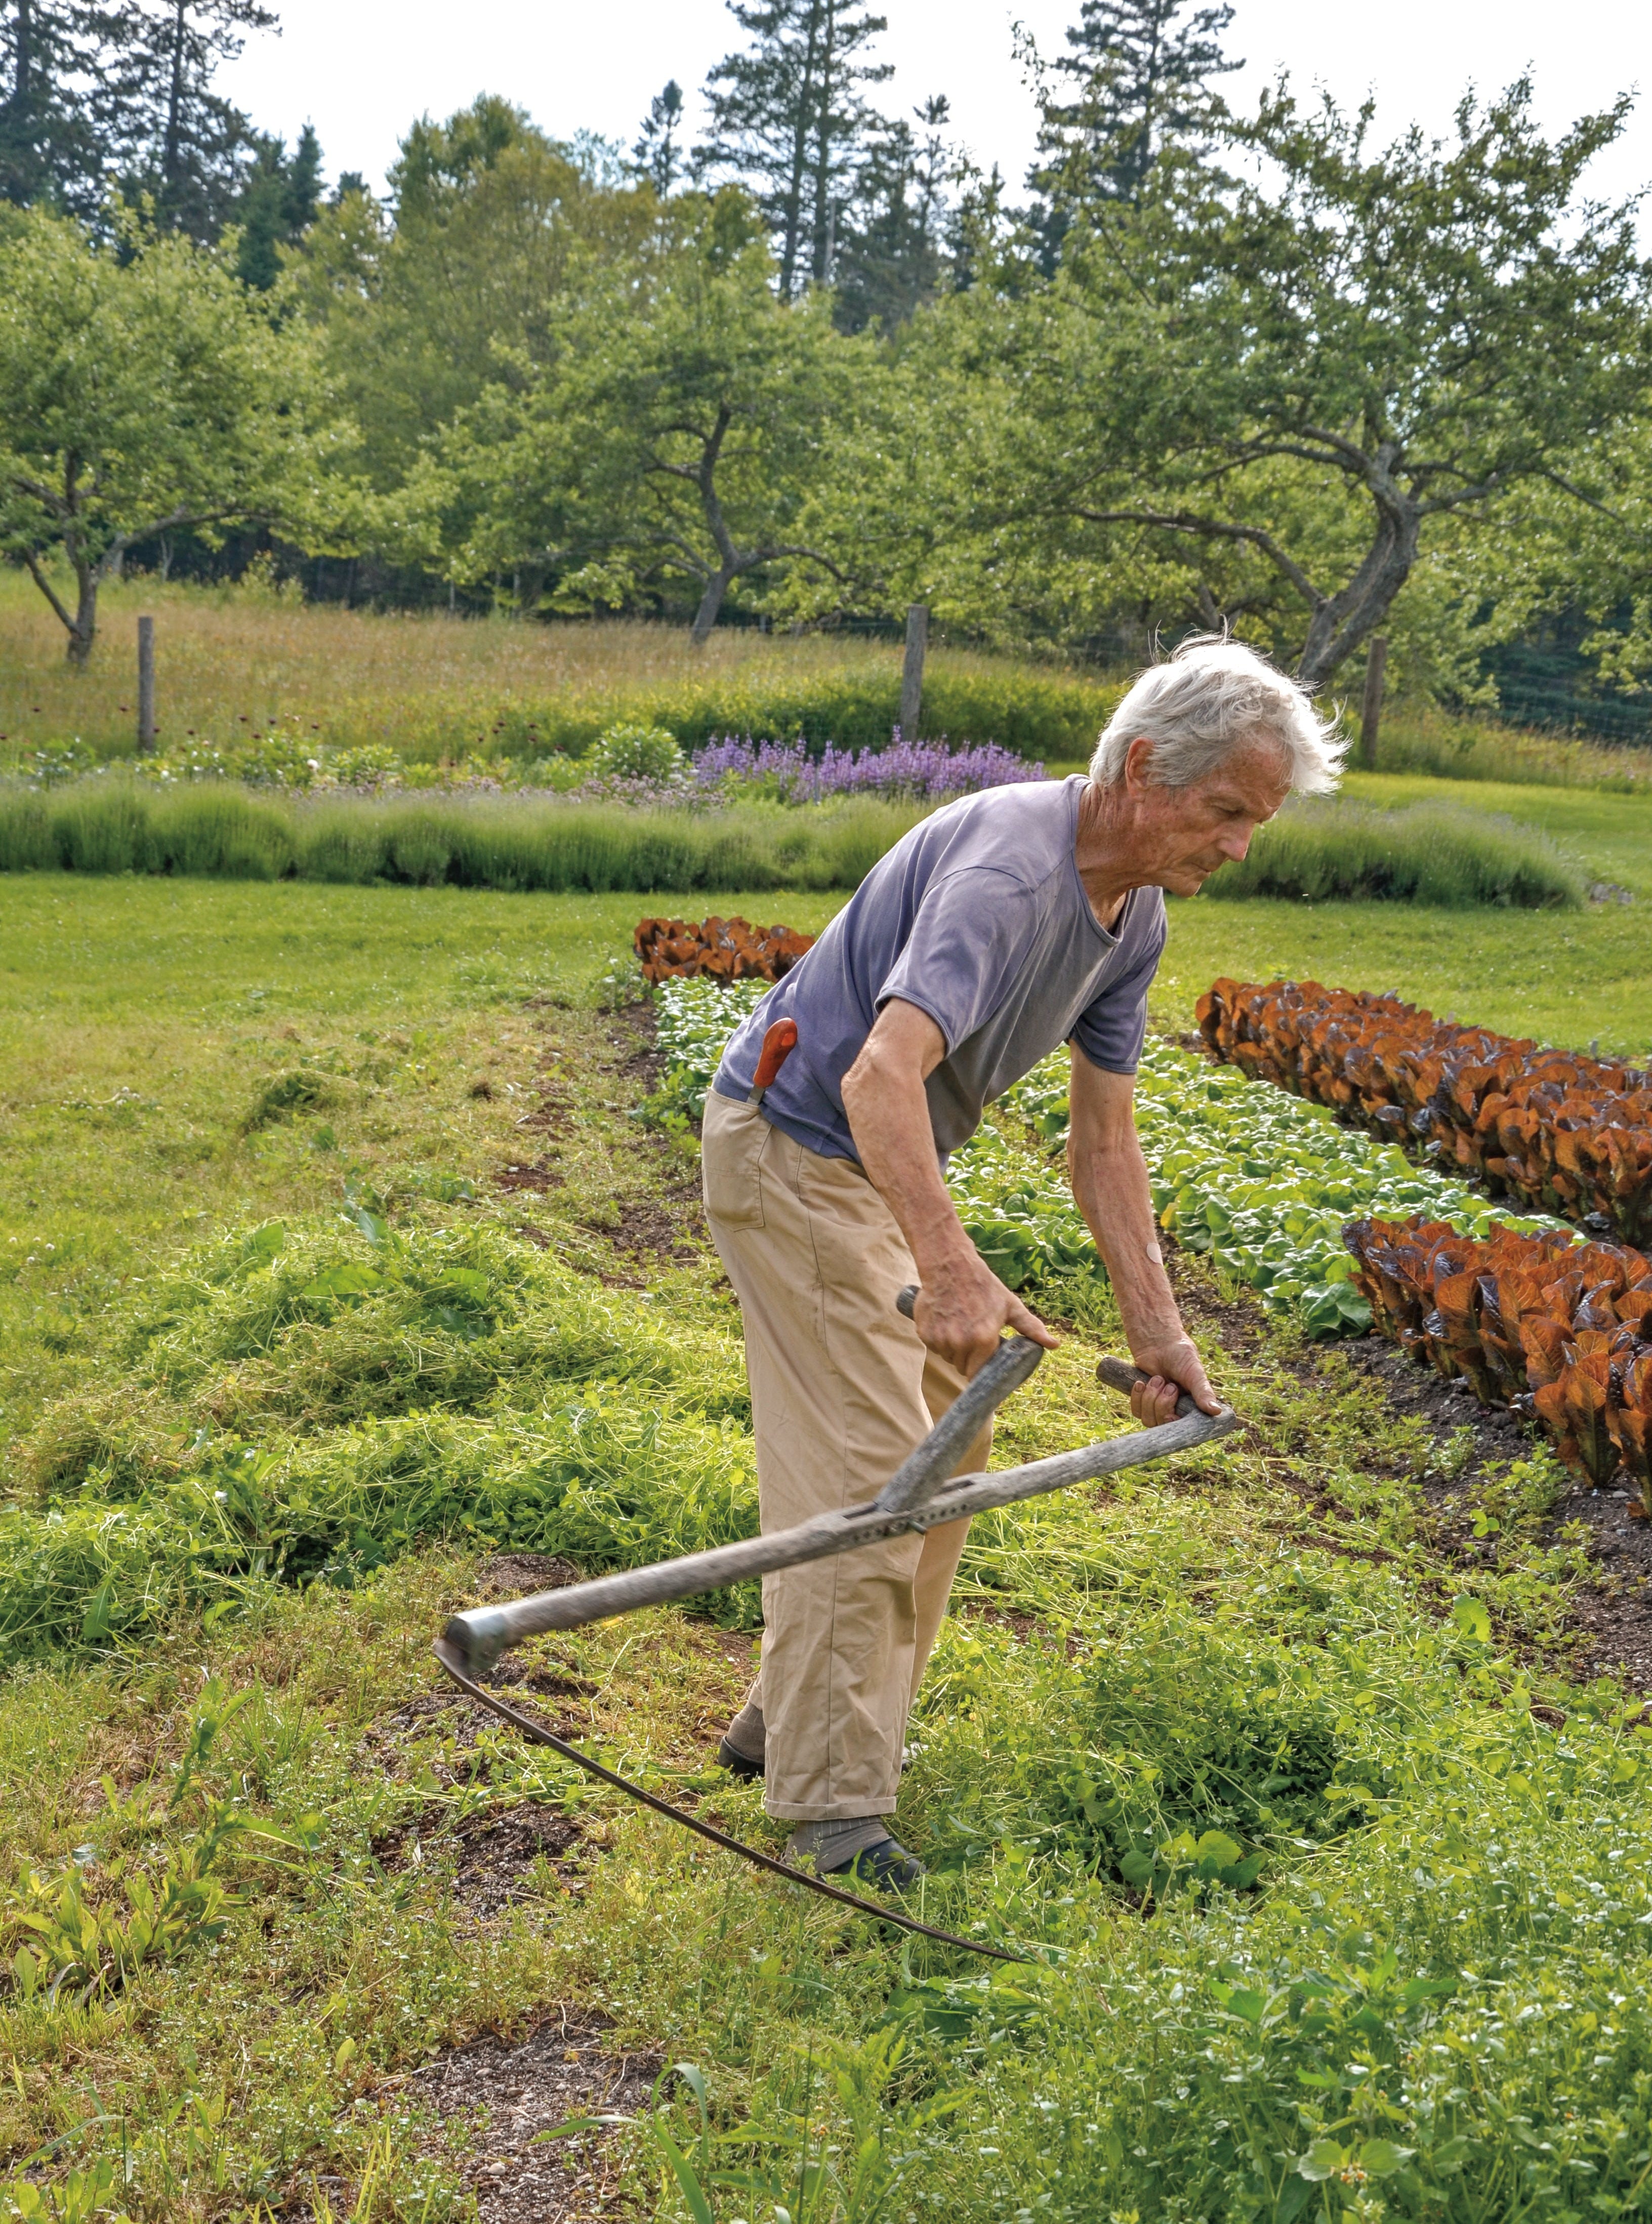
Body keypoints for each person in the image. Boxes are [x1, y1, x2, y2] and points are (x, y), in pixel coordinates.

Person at [699, 635, 1343, 1888]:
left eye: (1255, 823)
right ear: (1145, 768)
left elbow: (1102, 1140)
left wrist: (1162, 1333)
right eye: (1225, 811)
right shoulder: (1009, 869)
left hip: (862, 1162)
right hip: (791, 1143)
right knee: (880, 1469)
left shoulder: (1133, 914)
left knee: (946, 1441)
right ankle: (833, 1817)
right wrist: (951, 1270)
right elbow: (879, 1074)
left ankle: (794, 1718)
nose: (1238, 846)